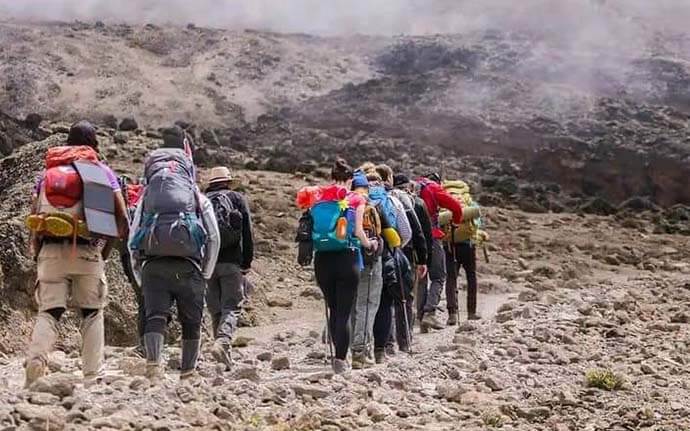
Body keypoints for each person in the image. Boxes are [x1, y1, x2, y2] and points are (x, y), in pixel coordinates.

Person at [25, 120, 128, 387]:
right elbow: (123, 220)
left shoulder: (47, 175)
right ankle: (93, 377)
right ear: (93, 144)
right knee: (92, 313)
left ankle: (36, 361)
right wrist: (104, 253)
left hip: (50, 250)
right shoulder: (102, 172)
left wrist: (37, 253)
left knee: (49, 312)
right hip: (87, 253)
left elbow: (35, 215)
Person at [129, 129, 220, 382]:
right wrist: (206, 273)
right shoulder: (195, 196)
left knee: (155, 316)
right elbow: (213, 236)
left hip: (153, 266)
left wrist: (140, 273)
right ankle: (188, 372)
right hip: (189, 266)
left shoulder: (148, 196)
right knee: (191, 320)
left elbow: (132, 236)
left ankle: (153, 367)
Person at [312, 159, 376, 374]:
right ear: (350, 180)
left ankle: (336, 358)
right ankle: (340, 360)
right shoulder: (356, 199)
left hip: (322, 259)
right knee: (344, 311)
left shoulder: (317, 197)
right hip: (348, 258)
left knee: (333, 309)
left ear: (331, 178)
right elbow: (358, 232)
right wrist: (370, 244)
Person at [204, 166, 254, 369]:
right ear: (228, 181)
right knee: (232, 306)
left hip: (207, 263)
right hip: (231, 261)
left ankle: (224, 357)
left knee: (216, 309)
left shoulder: (201, 200)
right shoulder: (236, 198)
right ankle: (223, 341)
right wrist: (246, 263)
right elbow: (247, 233)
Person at [377, 165, 427, 354]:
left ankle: (385, 343)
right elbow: (414, 231)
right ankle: (404, 342)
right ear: (388, 178)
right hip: (399, 253)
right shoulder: (401, 199)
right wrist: (421, 258)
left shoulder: (365, 198)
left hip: (373, 253)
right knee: (403, 297)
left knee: (383, 299)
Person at [415, 172, 463, 331]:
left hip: (415, 239)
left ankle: (421, 317)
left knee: (421, 277)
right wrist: (455, 223)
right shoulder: (434, 188)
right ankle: (430, 313)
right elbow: (456, 207)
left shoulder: (414, 187)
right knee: (439, 276)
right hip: (432, 237)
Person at [349, 170, 383, 369]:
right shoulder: (367, 205)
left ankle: (342, 350)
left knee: (349, 306)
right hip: (367, 261)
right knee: (367, 305)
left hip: (342, 260)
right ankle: (361, 351)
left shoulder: (340, 204)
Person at [393, 173, 433, 323]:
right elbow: (423, 234)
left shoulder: (386, 200)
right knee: (407, 294)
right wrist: (425, 259)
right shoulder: (417, 203)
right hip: (409, 253)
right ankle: (405, 333)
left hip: (388, 251)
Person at [118, 175, 147, 356]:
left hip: (128, 258)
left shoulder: (126, 207)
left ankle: (146, 344)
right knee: (150, 301)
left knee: (143, 300)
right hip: (149, 256)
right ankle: (150, 345)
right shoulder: (148, 203)